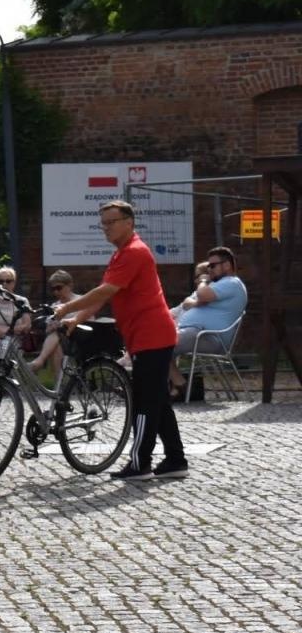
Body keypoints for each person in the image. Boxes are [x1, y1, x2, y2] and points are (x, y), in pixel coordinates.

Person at [54, 200, 188, 481]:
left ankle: (140, 464)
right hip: (146, 335)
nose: (106, 228)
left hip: (151, 335)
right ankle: (176, 460)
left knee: (144, 402)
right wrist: (77, 319)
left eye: (111, 222)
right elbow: (106, 295)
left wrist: (67, 309)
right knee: (158, 399)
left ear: (129, 222)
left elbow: (105, 291)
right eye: (103, 223)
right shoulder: (121, 255)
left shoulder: (134, 252)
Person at [168, 246, 247, 398]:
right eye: (208, 266)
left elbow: (202, 295)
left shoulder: (232, 283)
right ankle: (177, 387)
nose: (209, 269)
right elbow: (188, 303)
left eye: (212, 265)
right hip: (197, 333)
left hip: (209, 337)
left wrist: (203, 281)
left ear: (227, 265)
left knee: (159, 344)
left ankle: (179, 385)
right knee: (158, 344)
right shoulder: (219, 284)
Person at [29, 270, 86, 378]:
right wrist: (52, 326)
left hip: (79, 339)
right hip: (61, 342)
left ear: (70, 285)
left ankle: (40, 360)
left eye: (59, 288)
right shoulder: (55, 306)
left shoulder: (80, 300)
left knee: (57, 334)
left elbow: (89, 320)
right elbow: (47, 330)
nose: (56, 292)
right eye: (53, 289)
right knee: (56, 345)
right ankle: (59, 385)